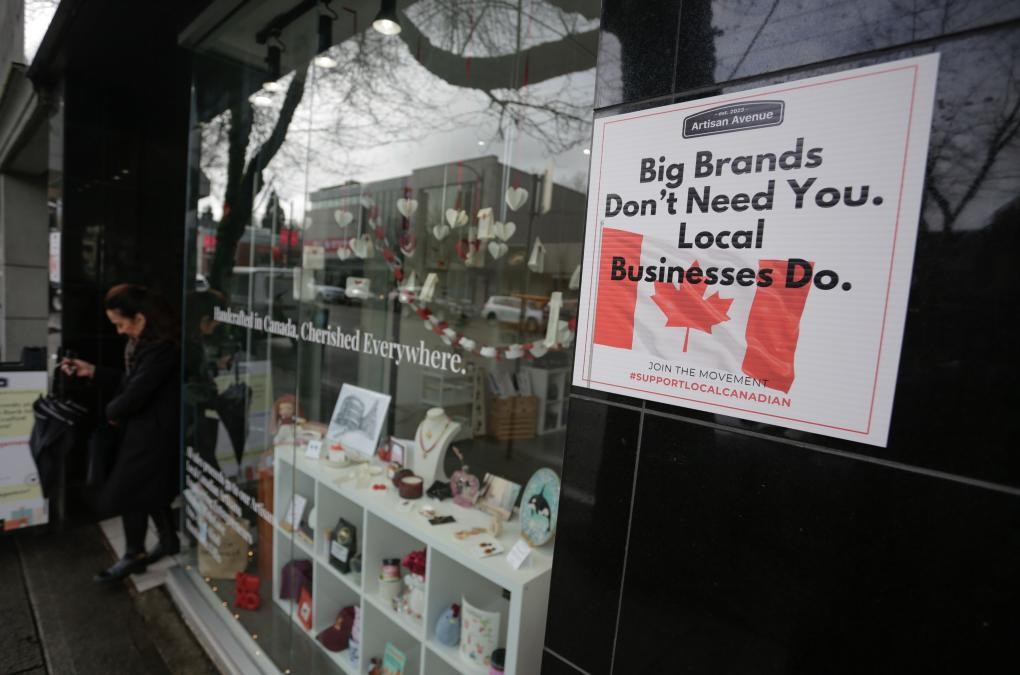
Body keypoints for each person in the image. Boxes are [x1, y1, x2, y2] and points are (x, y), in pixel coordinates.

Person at [61, 284, 181, 583]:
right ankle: (166, 540)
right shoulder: (145, 344)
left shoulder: (161, 350)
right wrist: (92, 371)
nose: (119, 331)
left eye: (120, 323)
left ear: (140, 318)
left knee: (129, 492)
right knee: (149, 490)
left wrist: (110, 413)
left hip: (153, 436)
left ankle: (134, 555)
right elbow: (130, 382)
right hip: (146, 432)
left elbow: (135, 393)